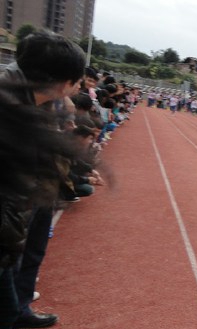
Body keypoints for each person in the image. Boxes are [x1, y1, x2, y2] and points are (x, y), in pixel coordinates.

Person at [0, 30, 85, 329]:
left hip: (35, 194)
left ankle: (22, 307)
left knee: (31, 254)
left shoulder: (42, 97)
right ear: (64, 82)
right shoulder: (8, 102)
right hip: (11, 209)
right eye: (77, 80)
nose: (78, 86)